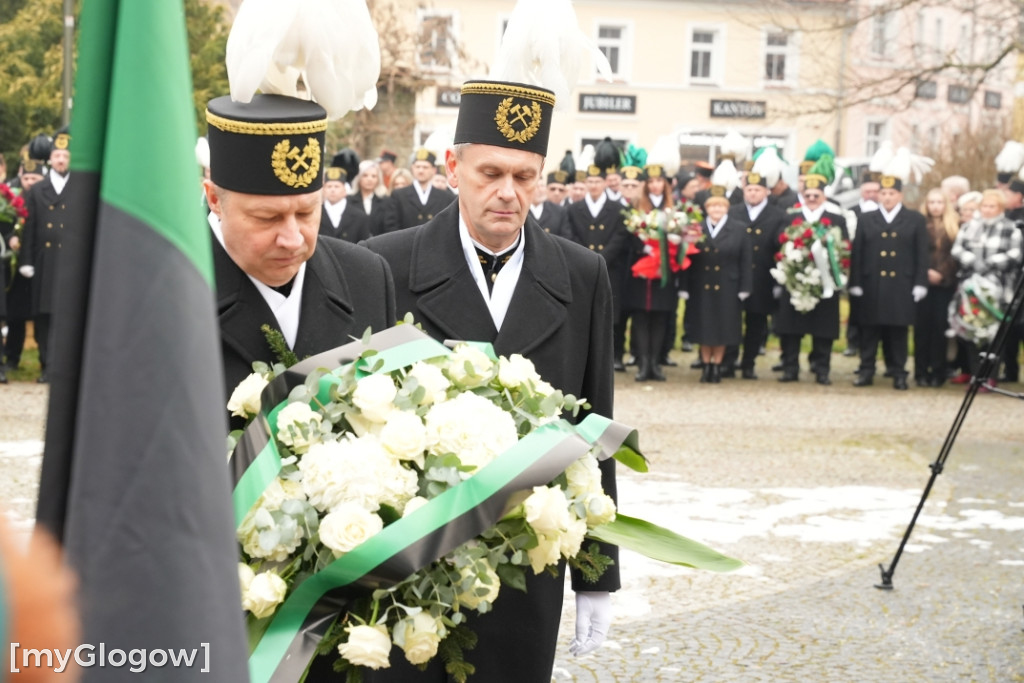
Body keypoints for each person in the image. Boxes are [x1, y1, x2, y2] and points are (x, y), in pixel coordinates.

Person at [363, 78, 619, 683]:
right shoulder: (382, 264)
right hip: (413, 565)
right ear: (454, 168)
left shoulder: (582, 274)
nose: (508, 192)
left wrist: (596, 574)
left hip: (527, 558)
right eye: (491, 173)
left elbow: (593, 430)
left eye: (525, 176)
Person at [203, 93, 396, 402]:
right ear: (215, 200)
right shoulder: (169, 292)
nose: (293, 239)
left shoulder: (365, 276)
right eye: (268, 218)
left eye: (306, 213)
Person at [849, 148, 930, 390]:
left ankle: (898, 372)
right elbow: (858, 253)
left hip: (901, 285)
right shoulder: (867, 219)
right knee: (869, 331)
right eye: (883, 193)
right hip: (872, 283)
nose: (886, 197)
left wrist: (920, 282)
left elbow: (921, 254)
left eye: (891, 193)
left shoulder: (914, 219)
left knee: (897, 332)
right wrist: (855, 282)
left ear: (900, 195)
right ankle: (866, 370)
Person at [773, 163, 849, 384]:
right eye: (808, 195)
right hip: (794, 280)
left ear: (824, 196)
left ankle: (822, 369)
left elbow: (844, 248)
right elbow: (779, 244)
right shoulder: (790, 218)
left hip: (825, 283)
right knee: (790, 329)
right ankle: (790, 368)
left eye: (817, 195)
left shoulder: (836, 219)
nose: (812, 198)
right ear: (803, 195)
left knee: (823, 329)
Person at [683, 163, 752, 383]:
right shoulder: (695, 228)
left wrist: (745, 287)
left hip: (728, 286)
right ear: (706, 208)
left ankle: (717, 366)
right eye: (713, 206)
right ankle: (705, 365)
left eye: (721, 206)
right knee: (705, 328)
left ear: (727, 208)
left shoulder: (739, 229)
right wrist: (683, 286)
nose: (716, 210)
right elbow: (686, 259)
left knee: (723, 329)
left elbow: (746, 261)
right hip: (701, 284)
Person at [950, 189, 1023, 391]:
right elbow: (957, 249)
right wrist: (972, 260)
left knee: (994, 334)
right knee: (971, 330)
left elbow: (1016, 254)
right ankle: (975, 374)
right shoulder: (969, 227)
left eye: (992, 206)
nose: (987, 210)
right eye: (984, 206)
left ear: (1000, 208)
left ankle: (990, 376)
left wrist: (990, 262)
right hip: (970, 288)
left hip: (998, 289)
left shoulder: (1011, 228)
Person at [19, 127, 72, 383]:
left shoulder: (79, 188)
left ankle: (65, 368)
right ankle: (46, 366)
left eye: (65, 156)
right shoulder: (37, 190)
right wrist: (26, 261)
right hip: (44, 260)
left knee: (67, 316)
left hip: (70, 262)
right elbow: (29, 229)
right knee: (44, 317)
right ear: (49, 159)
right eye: (57, 156)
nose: (61, 160)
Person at [566, 164, 631, 371]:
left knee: (613, 314)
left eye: (597, 181)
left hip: (610, 268)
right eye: (590, 181)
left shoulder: (618, 209)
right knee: (583, 312)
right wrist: (585, 258)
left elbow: (620, 237)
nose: (594, 185)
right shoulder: (574, 209)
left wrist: (601, 259)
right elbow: (570, 235)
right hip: (582, 269)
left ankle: (616, 355)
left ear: (605, 183)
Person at [725, 166, 787, 379]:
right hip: (735, 276)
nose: (752, 193)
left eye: (757, 190)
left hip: (762, 277)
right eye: (749, 189)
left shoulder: (777, 215)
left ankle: (748, 363)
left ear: (766, 192)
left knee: (757, 322)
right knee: (732, 320)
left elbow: (780, 246)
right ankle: (728, 361)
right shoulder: (733, 212)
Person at [624, 164, 683, 381]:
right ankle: (643, 363)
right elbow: (628, 234)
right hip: (641, 271)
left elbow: (680, 234)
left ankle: (655, 364)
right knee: (641, 317)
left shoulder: (674, 208)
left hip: (664, 270)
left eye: (659, 181)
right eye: (651, 182)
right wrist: (644, 247)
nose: (655, 185)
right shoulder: (636, 206)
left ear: (665, 184)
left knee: (660, 317)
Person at [913, 188, 959, 387]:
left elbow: (955, 255)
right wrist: (925, 272)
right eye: (931, 202)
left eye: (939, 202)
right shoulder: (919, 224)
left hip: (945, 284)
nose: (935, 206)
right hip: (922, 283)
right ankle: (921, 371)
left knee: (940, 327)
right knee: (921, 328)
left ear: (945, 204)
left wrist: (941, 274)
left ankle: (938, 371)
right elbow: (914, 252)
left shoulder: (955, 226)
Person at [390, 148, 456, 230]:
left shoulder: (446, 197)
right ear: (412, 168)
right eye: (417, 167)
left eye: (425, 167)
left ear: (434, 170)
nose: (421, 171)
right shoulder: (399, 195)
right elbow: (392, 226)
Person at [318, 165, 371, 243]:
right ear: (323, 190)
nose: (332, 190)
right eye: (329, 186)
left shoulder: (359, 216)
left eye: (337, 186)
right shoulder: (316, 213)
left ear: (345, 190)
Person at [352, 159, 395, 236]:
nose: (369, 179)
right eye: (365, 175)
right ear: (358, 178)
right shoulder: (349, 200)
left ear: (378, 179)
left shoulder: (385, 201)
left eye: (374, 176)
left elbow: (390, 228)